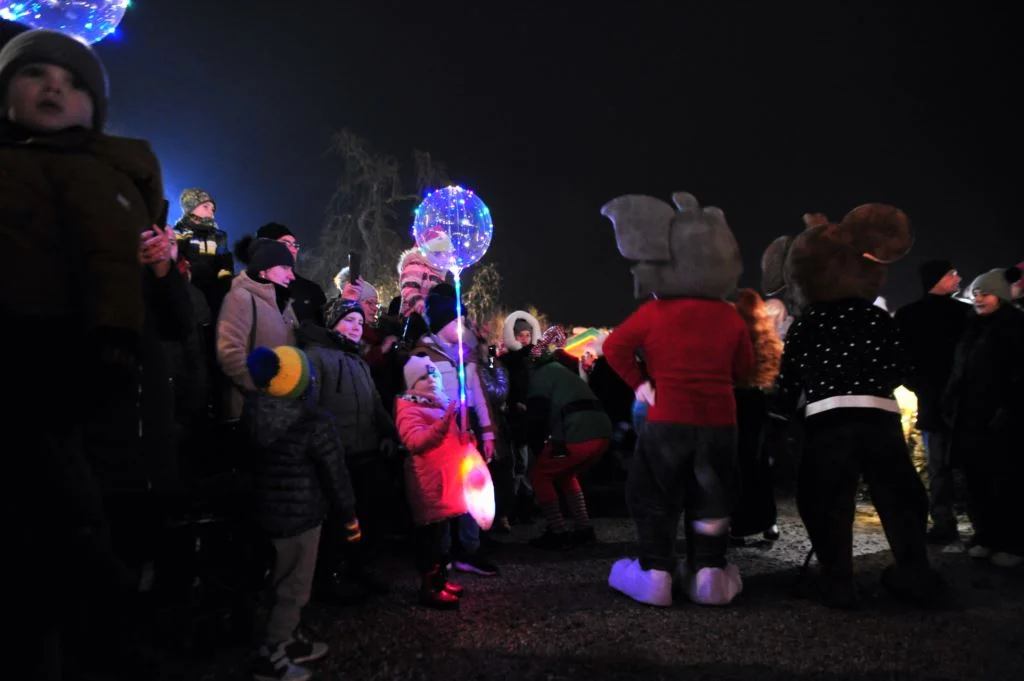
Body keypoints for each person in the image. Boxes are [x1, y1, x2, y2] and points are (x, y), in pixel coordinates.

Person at [1, 28, 165, 679]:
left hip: (77, 365)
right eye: (35, 74)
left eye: (71, 83)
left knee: (70, 523)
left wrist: (117, 331)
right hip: (21, 351)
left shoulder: (106, 175)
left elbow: (111, 263)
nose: (53, 87)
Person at [602, 191, 753, 607]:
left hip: (667, 418)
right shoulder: (730, 316)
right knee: (714, 492)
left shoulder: (655, 313)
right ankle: (709, 572)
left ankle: (656, 572)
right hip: (721, 421)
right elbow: (745, 368)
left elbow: (614, 346)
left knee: (655, 492)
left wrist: (640, 382)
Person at [244, 345, 362, 681]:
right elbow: (335, 474)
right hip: (303, 517)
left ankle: (289, 638)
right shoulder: (314, 423)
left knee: (277, 577)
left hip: (267, 513)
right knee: (294, 587)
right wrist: (349, 514)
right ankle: (273, 653)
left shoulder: (255, 413)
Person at [944, 266, 1024, 567]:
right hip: (970, 418)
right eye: (975, 293)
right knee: (976, 481)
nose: (978, 298)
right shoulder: (973, 326)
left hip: (1003, 420)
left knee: (1006, 482)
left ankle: (1012, 543)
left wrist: (1008, 411)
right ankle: (985, 537)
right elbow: (960, 370)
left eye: (985, 293)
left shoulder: (1015, 327)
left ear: (1001, 297)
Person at [893, 260, 969, 543]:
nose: (957, 276)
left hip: (945, 399)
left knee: (943, 466)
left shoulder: (911, 314)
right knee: (943, 465)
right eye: (952, 273)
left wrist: (918, 385)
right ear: (937, 278)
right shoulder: (962, 314)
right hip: (945, 400)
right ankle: (950, 522)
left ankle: (948, 522)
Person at [396, 354, 469, 610]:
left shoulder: (439, 404)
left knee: (442, 538)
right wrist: (444, 422)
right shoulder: (409, 407)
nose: (430, 380)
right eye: (423, 377)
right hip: (427, 483)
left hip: (444, 481)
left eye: (433, 374)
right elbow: (415, 441)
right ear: (412, 385)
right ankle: (428, 588)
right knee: (429, 540)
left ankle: (441, 581)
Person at [258, 222, 326, 326]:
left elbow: (326, 330)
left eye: (295, 245)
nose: (294, 250)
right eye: (286, 244)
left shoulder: (311, 290)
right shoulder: (243, 287)